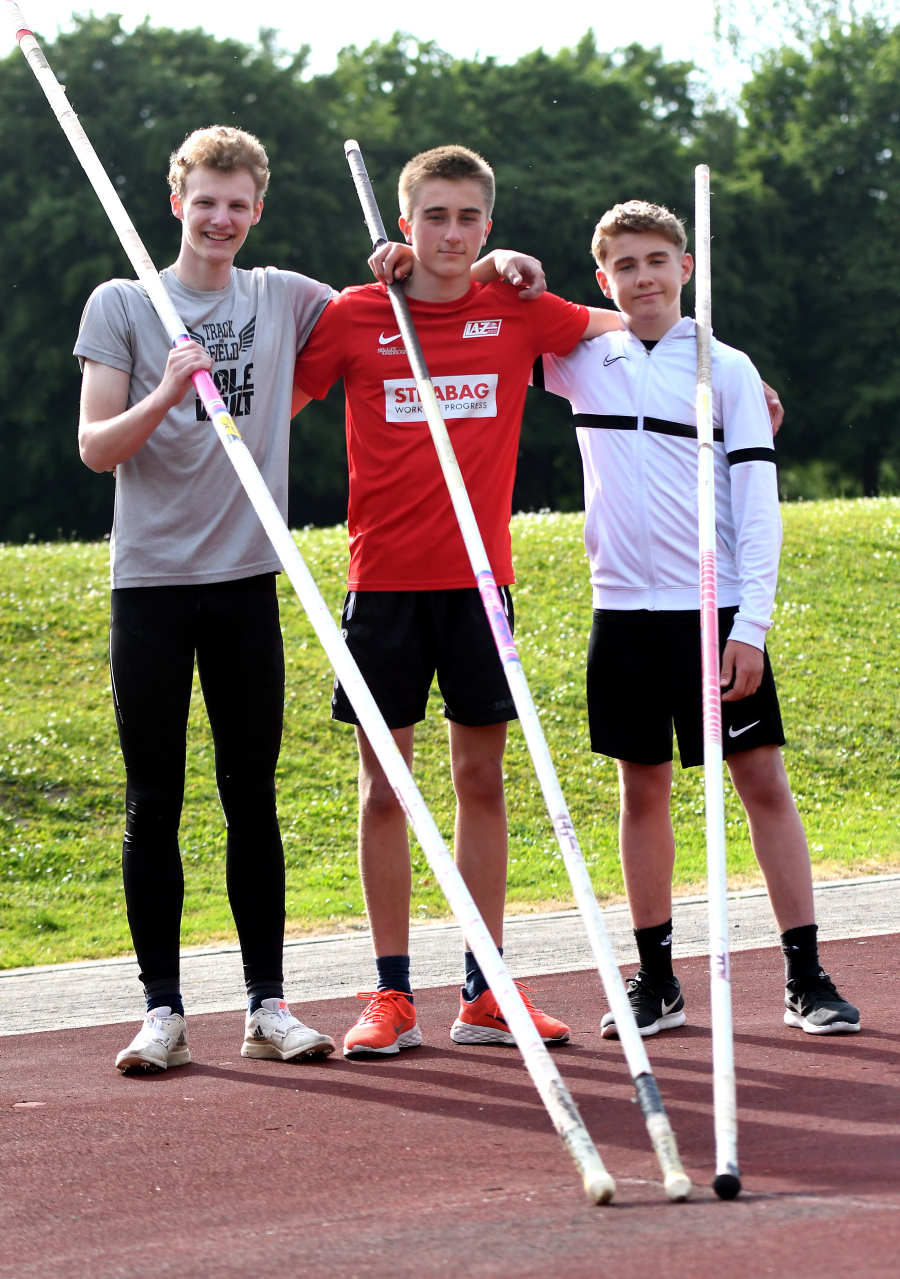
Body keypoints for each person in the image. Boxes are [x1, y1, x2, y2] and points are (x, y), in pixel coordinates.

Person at [292, 145, 630, 1058]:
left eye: (468, 218)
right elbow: (275, 405)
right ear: (404, 225)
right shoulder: (357, 314)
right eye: (434, 216)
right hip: (383, 587)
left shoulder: (514, 309)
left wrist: (732, 374)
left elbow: (624, 326)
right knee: (386, 792)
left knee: (482, 781)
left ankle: (486, 987)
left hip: (482, 586)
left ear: (489, 223)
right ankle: (391, 991)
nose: (451, 233)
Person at [535, 199, 860, 1037]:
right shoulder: (581, 360)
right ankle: (655, 982)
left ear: (685, 266)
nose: (643, 277)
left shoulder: (730, 370)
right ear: (603, 280)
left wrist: (751, 624)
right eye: (625, 266)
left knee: (762, 783)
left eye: (657, 261)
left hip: (711, 617)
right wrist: (506, 271)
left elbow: (759, 505)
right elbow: (493, 321)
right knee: (639, 792)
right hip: (622, 615)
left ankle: (805, 974)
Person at [75, 125, 343, 1072]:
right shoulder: (123, 304)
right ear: (176, 201)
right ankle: (161, 1009)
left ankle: (268, 1004)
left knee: (251, 797)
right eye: (205, 201)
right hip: (149, 586)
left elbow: (383, 305)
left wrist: (471, 260)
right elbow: (98, 446)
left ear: (257, 209)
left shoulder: (280, 296)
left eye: (238, 203)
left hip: (243, 583)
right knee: (156, 799)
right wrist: (168, 387)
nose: (221, 218)